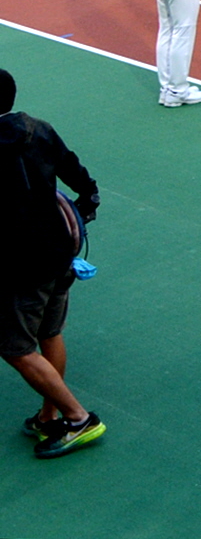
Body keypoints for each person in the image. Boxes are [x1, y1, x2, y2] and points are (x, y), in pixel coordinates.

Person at [0, 69, 106, 458]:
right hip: (60, 252)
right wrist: (82, 211)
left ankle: (79, 419)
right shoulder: (37, 128)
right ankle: (48, 417)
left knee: (15, 348)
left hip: (18, 267)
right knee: (49, 332)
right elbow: (83, 182)